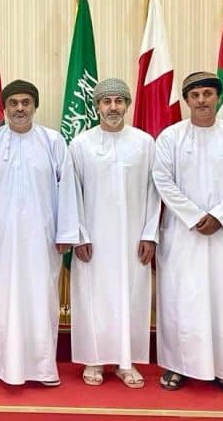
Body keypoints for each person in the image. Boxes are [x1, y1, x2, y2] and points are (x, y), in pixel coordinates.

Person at [0, 79, 80, 387]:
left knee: (41, 299)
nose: (19, 108)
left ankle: (42, 368)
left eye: (26, 102)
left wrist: (66, 233)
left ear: (35, 106)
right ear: (4, 107)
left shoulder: (53, 141)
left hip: (43, 238)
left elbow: (67, 187)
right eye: (13, 103)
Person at [152, 71, 223, 395]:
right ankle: (177, 366)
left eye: (207, 94)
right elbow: (162, 179)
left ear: (217, 97)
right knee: (180, 300)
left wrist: (219, 216)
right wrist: (196, 216)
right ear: (187, 100)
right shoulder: (170, 137)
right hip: (183, 234)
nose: (201, 101)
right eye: (195, 95)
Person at [69, 78, 160, 389]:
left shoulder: (144, 143)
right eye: (106, 101)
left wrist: (150, 234)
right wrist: (79, 234)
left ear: (127, 105)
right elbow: (72, 193)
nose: (113, 107)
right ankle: (93, 359)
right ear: (97, 106)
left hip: (134, 237)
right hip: (93, 238)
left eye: (119, 101)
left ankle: (126, 361)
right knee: (93, 296)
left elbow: (154, 192)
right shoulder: (81, 144)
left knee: (131, 295)